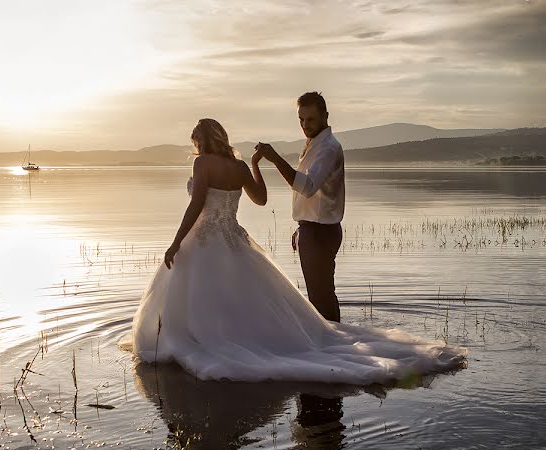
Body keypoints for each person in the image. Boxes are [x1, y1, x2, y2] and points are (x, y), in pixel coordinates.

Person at [123, 117, 466, 384]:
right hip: (233, 239)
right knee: (237, 298)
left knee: (203, 297)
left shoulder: (202, 164)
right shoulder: (240, 167)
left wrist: (175, 241)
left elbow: (197, 204)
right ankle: (245, 339)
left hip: (204, 241)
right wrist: (255, 165)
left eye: (195, 141)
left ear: (200, 140)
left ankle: (206, 342)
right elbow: (260, 199)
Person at [255, 91, 344, 322]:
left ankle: (334, 346)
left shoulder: (328, 148)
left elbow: (307, 187)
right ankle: (335, 342)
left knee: (320, 297)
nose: (305, 125)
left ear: (325, 115)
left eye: (310, 119)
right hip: (313, 229)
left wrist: (275, 158)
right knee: (322, 295)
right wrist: (301, 227)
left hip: (320, 233)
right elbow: (312, 199)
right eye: (301, 120)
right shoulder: (315, 145)